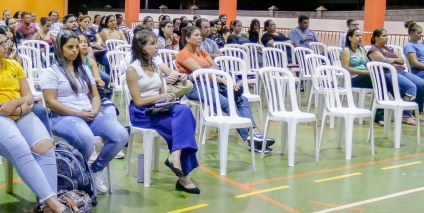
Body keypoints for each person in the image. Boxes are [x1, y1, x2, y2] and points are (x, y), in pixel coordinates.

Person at [0, 27, 81, 213]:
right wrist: (11, 106)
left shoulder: (14, 65)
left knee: (45, 145)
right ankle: (56, 204)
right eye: (1, 43)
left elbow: (29, 98)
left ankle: (48, 212)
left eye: (7, 41)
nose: (7, 46)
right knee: (20, 147)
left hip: (20, 114)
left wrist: (15, 105)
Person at [41, 31, 128, 194]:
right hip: (63, 117)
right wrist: (78, 114)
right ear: (60, 48)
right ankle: (80, 177)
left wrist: (95, 110)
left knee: (121, 135)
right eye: (70, 47)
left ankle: (94, 169)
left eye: (76, 47)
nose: (75, 50)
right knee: (87, 138)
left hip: (89, 115)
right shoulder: (51, 72)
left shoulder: (84, 69)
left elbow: (94, 95)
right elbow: (51, 102)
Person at [176, 26, 273, 151]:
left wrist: (221, 78)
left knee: (241, 99)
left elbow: (215, 66)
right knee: (227, 103)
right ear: (188, 38)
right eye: (196, 35)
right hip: (195, 88)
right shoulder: (183, 54)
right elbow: (202, 73)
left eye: (200, 35)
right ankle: (249, 137)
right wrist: (223, 80)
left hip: (211, 83)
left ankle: (254, 131)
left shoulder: (201, 52)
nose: (200, 37)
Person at [126, 30, 200, 193]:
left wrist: (167, 97)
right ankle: (183, 176)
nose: (157, 46)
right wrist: (160, 96)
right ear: (141, 47)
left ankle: (175, 156)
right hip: (142, 112)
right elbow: (138, 101)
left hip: (158, 108)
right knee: (181, 127)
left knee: (183, 111)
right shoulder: (133, 69)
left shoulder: (154, 66)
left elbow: (161, 90)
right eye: (152, 44)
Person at [367, 28, 424, 125]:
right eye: (383, 36)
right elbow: (385, 62)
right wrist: (395, 61)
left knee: (423, 84)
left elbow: (402, 60)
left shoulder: (390, 49)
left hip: (400, 71)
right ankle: (405, 116)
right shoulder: (373, 50)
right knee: (411, 87)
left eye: (387, 35)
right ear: (375, 38)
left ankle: (416, 110)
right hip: (387, 73)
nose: (386, 38)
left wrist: (394, 61)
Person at [403, 21, 424, 85]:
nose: (421, 35)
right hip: (419, 72)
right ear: (411, 33)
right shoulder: (409, 46)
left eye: (421, 33)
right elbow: (415, 64)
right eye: (418, 33)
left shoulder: (422, 44)